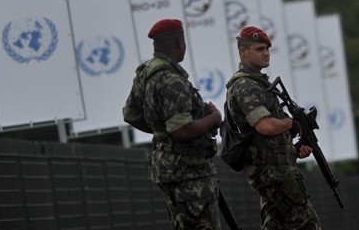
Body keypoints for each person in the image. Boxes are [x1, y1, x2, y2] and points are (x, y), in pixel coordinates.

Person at [123, 18, 222, 230]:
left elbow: (131, 114)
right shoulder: (172, 80)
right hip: (188, 170)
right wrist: (213, 119)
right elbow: (182, 130)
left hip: (169, 167)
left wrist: (161, 132)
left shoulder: (146, 73)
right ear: (179, 42)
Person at [225, 26, 321, 230]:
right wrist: (291, 124)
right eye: (260, 49)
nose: (266, 53)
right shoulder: (246, 86)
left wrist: (293, 150)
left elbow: (268, 139)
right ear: (243, 51)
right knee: (307, 224)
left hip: (276, 170)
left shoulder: (259, 84)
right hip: (274, 174)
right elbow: (266, 126)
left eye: (267, 49)